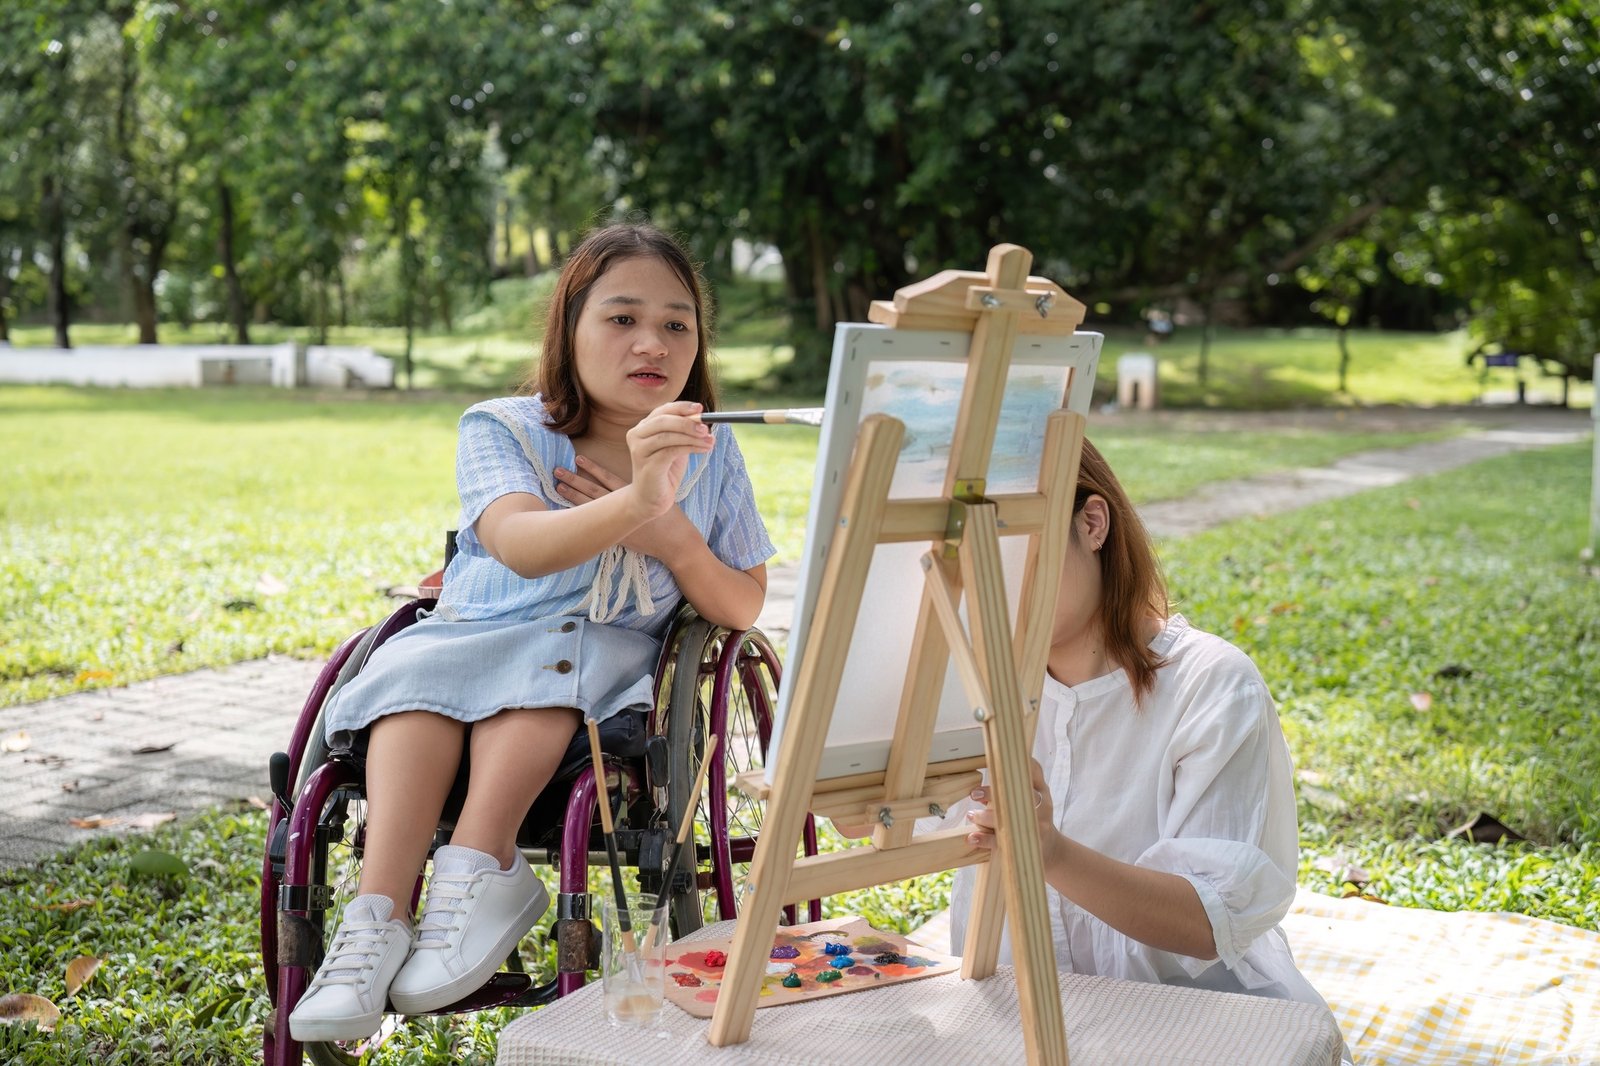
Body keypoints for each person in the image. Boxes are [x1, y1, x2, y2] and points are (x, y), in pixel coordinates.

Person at [289, 223, 774, 1042]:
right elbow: (517, 546)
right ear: (571, 330)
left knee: (547, 675)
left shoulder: (711, 450)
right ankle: (376, 918)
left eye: (676, 323)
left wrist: (670, 538)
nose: (651, 341)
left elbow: (743, 604)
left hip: (595, 653)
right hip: (474, 631)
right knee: (413, 688)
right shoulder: (504, 429)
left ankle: (481, 870)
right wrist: (631, 503)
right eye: (621, 319)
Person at [909, 439, 1344, 1039]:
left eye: (1012, 546)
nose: (991, 580)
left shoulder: (1212, 685)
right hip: (1018, 1024)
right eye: (967, 556)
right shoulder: (974, 680)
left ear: (1091, 524)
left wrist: (1050, 851)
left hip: (1193, 1022)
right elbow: (878, 820)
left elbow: (1207, 920)